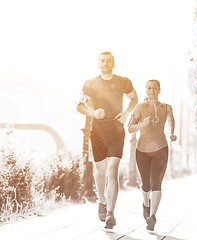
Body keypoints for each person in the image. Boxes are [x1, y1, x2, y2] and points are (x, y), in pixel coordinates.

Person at [76, 51, 138, 229]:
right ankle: (101, 201)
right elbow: (79, 106)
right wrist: (93, 113)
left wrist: (126, 113)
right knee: (100, 172)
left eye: (109, 61)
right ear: (98, 63)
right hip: (98, 131)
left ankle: (111, 213)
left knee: (112, 172)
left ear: (113, 63)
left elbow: (134, 98)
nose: (105, 63)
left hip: (117, 130)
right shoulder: (90, 84)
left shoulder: (123, 82)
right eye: (102, 60)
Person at [127, 79, 177, 231]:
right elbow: (130, 128)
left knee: (156, 182)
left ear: (159, 90)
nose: (152, 91)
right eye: (149, 88)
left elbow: (171, 119)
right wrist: (141, 125)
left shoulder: (166, 107)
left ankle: (153, 217)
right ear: (146, 90)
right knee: (146, 184)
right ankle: (146, 204)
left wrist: (172, 133)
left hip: (161, 149)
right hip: (142, 150)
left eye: (155, 88)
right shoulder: (140, 107)